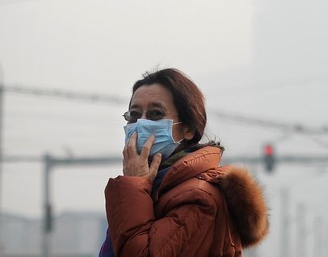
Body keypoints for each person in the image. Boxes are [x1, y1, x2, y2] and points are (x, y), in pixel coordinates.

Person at [99, 68, 269, 257]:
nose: (141, 124)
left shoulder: (199, 197)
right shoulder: (155, 188)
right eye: (134, 115)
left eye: (156, 114)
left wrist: (133, 185)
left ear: (188, 129)